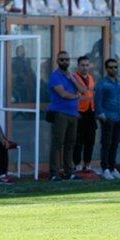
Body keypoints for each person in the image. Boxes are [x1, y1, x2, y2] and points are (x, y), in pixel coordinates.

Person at [47, 51, 86, 181]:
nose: (65, 62)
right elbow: (63, 94)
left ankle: (69, 172)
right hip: (60, 114)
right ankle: (54, 173)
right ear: (57, 61)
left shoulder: (72, 75)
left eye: (67, 59)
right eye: (62, 60)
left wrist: (73, 80)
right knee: (57, 144)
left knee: (70, 144)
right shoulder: (55, 76)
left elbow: (83, 90)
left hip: (73, 114)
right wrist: (76, 97)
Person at [96, 57, 120, 180]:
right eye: (110, 67)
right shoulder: (102, 84)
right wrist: (101, 114)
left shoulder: (119, 84)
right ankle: (105, 169)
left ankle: (113, 168)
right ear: (106, 69)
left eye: (115, 67)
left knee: (115, 144)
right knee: (106, 144)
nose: (113, 69)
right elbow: (98, 100)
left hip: (119, 117)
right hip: (108, 118)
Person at [72, 55, 98, 173]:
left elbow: (93, 93)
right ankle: (77, 163)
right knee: (78, 140)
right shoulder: (74, 77)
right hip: (79, 112)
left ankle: (87, 163)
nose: (85, 68)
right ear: (78, 66)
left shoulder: (92, 78)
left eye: (87, 65)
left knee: (90, 140)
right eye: (82, 65)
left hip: (90, 111)